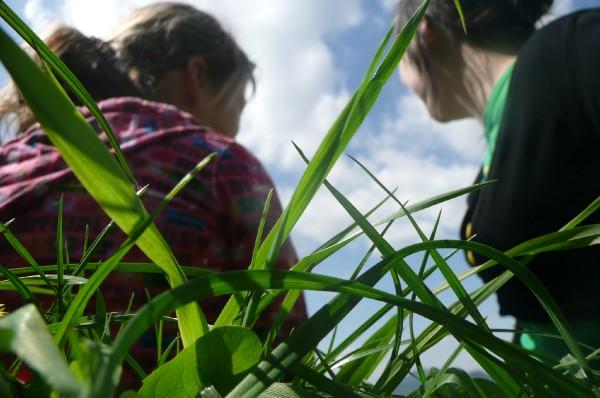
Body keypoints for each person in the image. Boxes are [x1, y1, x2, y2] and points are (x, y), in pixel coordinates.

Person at [0, 2, 306, 383]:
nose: (236, 128)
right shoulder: (224, 165)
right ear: (197, 76)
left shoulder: (10, 160)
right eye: (237, 105)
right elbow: (289, 348)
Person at [394, 0, 600, 361]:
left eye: (396, 58)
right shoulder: (490, 160)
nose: (404, 82)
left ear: (424, 33)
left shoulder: (571, 50)